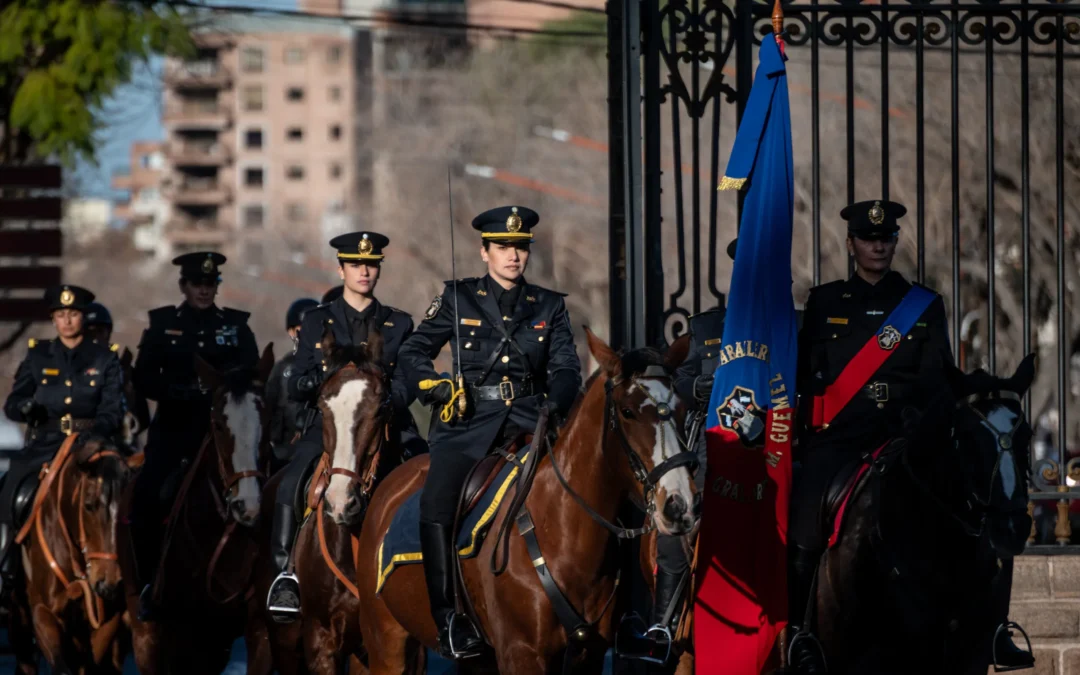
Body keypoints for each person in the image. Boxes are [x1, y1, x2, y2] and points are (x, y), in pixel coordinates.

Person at [787, 200, 1030, 672]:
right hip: (840, 440)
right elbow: (805, 377)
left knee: (985, 510)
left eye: (886, 237)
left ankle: (996, 630)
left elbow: (936, 379)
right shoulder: (826, 302)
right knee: (802, 523)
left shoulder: (923, 305)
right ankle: (800, 636)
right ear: (852, 244)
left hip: (905, 437)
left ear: (895, 242)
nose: (877, 245)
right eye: (867, 238)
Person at [397, 205, 582, 659]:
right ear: (484, 252)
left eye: (520, 248)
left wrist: (555, 404)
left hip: (531, 422)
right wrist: (433, 385)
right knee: (438, 502)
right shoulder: (458, 298)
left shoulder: (550, 305)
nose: (513, 256)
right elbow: (413, 350)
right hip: (468, 426)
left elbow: (566, 368)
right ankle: (449, 619)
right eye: (503, 247)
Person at [266, 232, 422, 622]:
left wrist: (386, 401)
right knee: (291, 482)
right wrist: (322, 387)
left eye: (371, 265)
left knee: (428, 470)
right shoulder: (317, 321)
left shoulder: (398, 322)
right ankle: (286, 575)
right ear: (341, 269)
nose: (364, 271)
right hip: (328, 429)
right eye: (355, 265)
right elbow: (295, 380)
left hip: (384, 427)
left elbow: (410, 379)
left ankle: (435, 572)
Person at [130, 252, 259, 620]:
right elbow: (143, 378)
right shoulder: (163, 323)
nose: (204, 290)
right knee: (146, 497)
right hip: (174, 429)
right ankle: (148, 582)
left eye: (210, 284)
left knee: (261, 489)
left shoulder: (236, 325)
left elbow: (251, 374)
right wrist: (177, 391)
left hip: (224, 433)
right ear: (184, 286)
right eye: (197, 284)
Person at [625, 238, 734, 663]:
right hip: (711, 449)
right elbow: (672, 383)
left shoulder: (795, 326)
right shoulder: (705, 330)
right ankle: (663, 628)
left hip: (779, 452)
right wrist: (697, 388)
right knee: (677, 522)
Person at [1, 285, 123, 591]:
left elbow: (112, 411)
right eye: (61, 315)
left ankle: (129, 570)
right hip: (45, 444)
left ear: (82, 318)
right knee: (12, 489)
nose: (67, 321)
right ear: (53, 319)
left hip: (90, 445)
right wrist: (27, 408)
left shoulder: (104, 358)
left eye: (73, 314)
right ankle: (10, 562)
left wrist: (94, 438)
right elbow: (12, 405)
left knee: (121, 494)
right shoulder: (38, 355)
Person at [266, 298, 319, 472]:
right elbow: (268, 410)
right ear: (291, 332)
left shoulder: (327, 368)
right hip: (283, 456)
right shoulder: (281, 369)